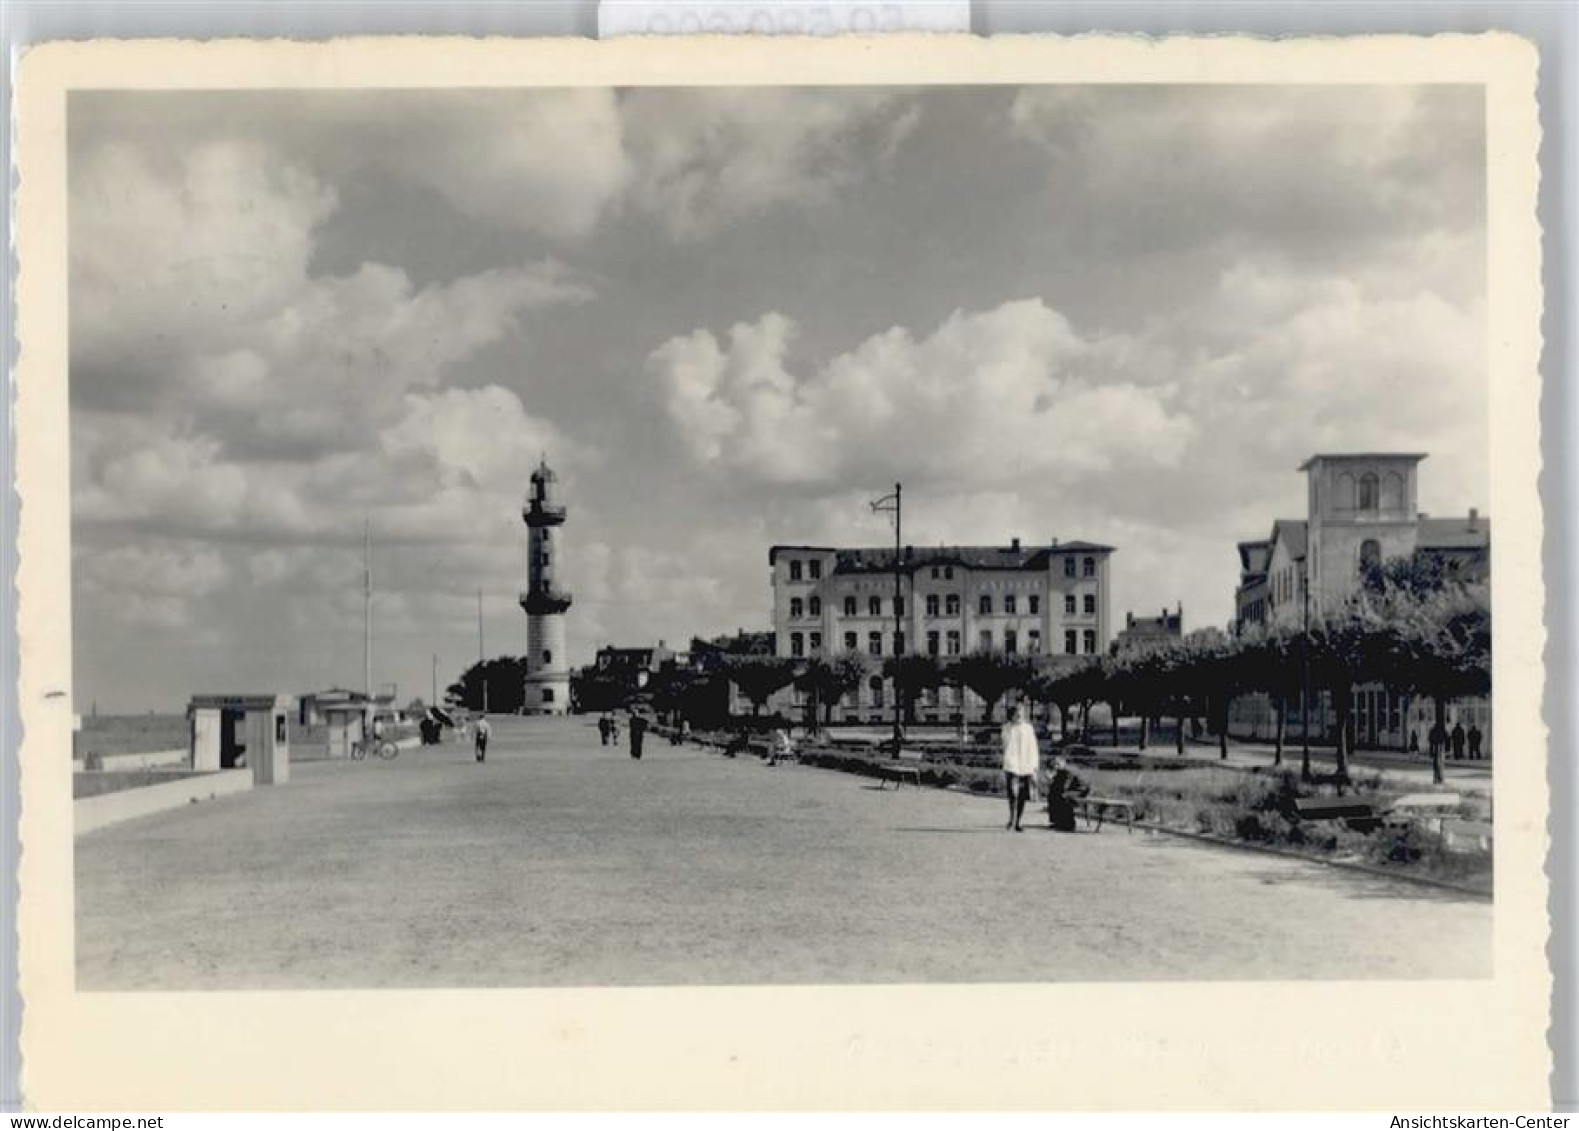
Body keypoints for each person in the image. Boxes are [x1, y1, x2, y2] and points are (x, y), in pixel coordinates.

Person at [1000, 704, 1040, 832]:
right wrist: (1012, 726)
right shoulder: (1007, 728)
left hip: (1026, 764)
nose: (1019, 716)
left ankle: (1018, 822)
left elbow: (1033, 748)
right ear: (1011, 715)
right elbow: (1006, 744)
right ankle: (1012, 818)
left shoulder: (1028, 728)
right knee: (1013, 792)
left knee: (1022, 795)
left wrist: (1034, 766)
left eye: (1021, 713)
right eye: (1017, 713)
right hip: (1012, 765)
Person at [1044, 755, 1091, 832]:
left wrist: (1052, 781)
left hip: (1080, 790)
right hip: (1073, 790)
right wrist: (1051, 780)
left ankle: (1069, 823)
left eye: (1058, 764)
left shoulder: (1068, 771)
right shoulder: (1061, 771)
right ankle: (1058, 821)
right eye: (1054, 764)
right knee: (1052, 795)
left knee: (1063, 796)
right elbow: (1056, 785)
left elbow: (1065, 786)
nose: (1056, 766)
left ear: (1064, 763)